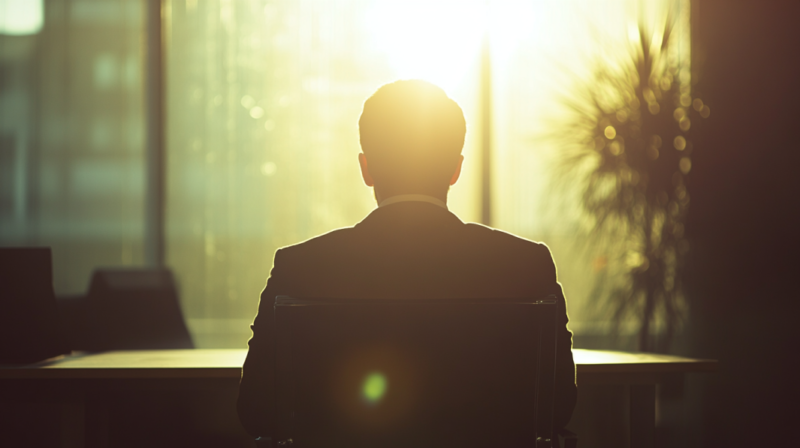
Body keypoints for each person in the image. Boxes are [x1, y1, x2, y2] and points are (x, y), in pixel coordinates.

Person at [238, 79, 577, 437]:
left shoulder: (301, 267)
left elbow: (256, 408)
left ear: (366, 168)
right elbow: (557, 408)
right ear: (455, 169)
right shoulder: (526, 264)